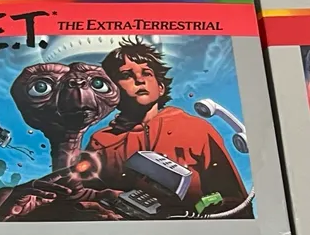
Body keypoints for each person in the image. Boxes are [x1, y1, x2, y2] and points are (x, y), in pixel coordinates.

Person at [81, 38, 250, 214]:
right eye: (126, 75)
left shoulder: (195, 129)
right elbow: (83, 198)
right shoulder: (101, 141)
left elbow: (236, 201)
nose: (139, 80)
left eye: (147, 73)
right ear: (111, 90)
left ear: (160, 87)